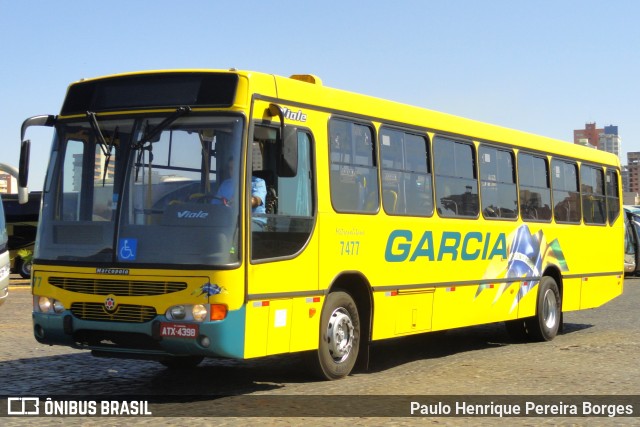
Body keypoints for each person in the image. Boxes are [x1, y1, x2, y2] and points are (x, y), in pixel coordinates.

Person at [214, 157, 267, 229]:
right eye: (230, 168)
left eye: (236, 168)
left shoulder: (258, 182)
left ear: (245, 167)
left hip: (253, 221)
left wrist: (239, 201)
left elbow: (256, 201)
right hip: (229, 221)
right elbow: (215, 204)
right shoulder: (225, 184)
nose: (232, 171)